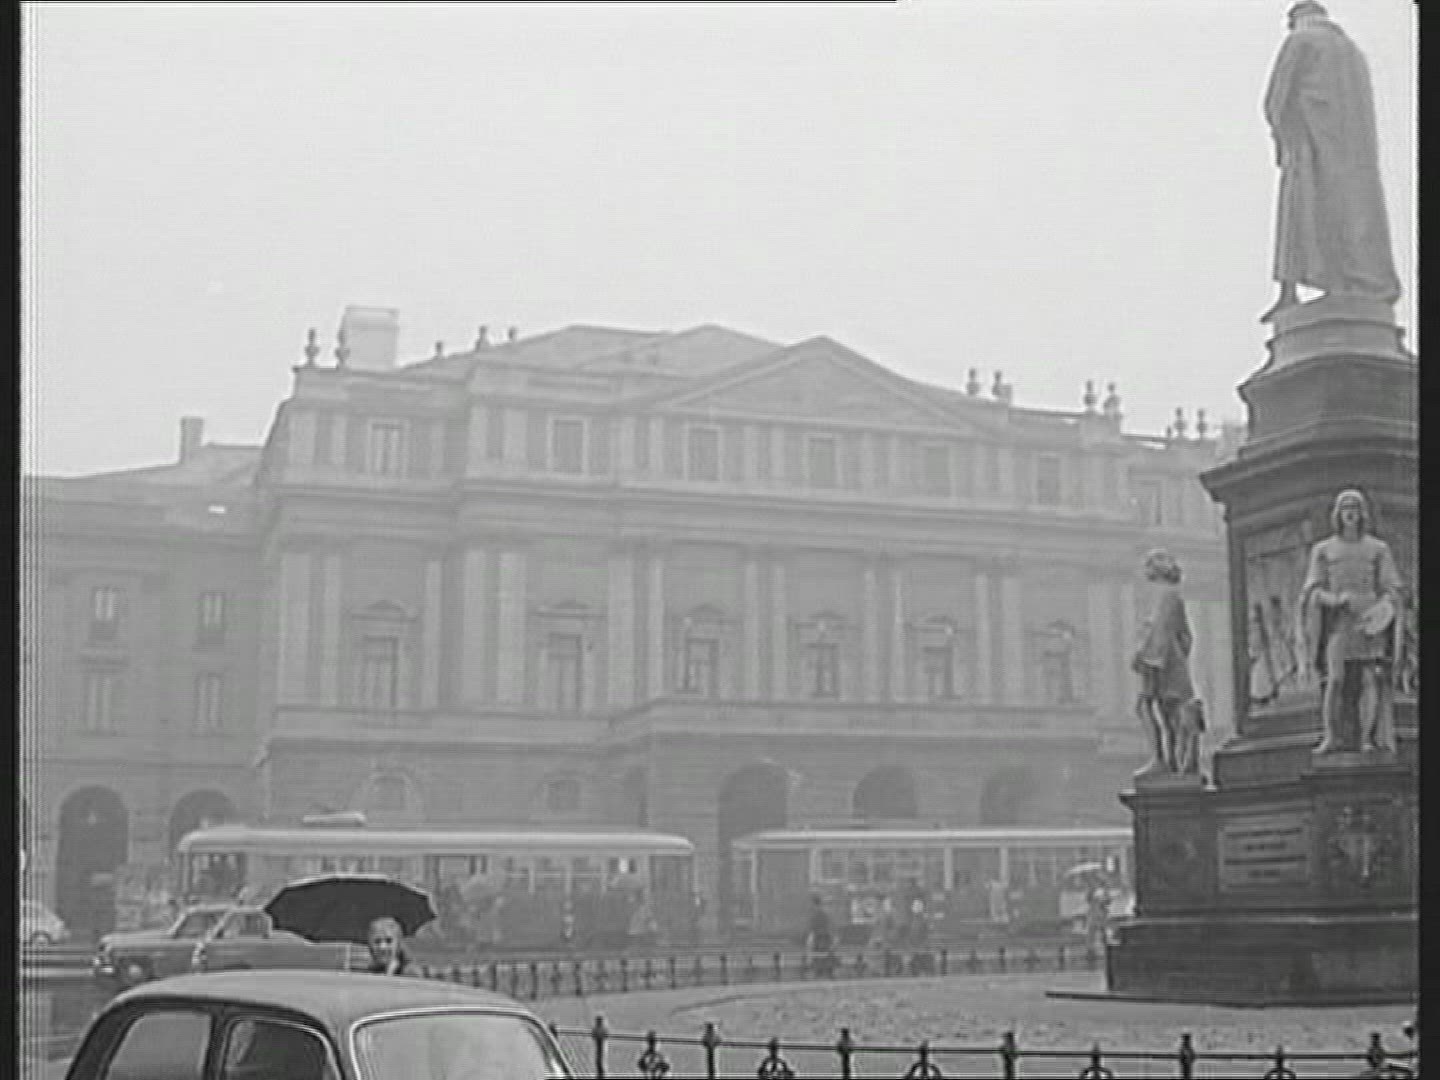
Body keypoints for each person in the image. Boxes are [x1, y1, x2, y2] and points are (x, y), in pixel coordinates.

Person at [1261, 2, 1401, 320]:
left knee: (1300, 214)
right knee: (1351, 213)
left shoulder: (1300, 40)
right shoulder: (1352, 52)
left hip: (1308, 146)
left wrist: (1283, 139)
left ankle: (1289, 292)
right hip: (1353, 155)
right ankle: (1350, 281)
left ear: (1294, 19)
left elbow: (1275, 100)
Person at [1298, 489, 1404, 754]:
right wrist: (1334, 599)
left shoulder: (1378, 549)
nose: (1350, 513)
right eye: (1345, 508)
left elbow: (1391, 587)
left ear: (1362, 513)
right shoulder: (1323, 550)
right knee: (1335, 679)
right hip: (1340, 622)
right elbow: (1312, 590)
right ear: (1337, 513)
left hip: (1370, 622)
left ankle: (1367, 738)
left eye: (1355, 508)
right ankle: (1330, 736)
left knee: (1369, 678)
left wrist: (1383, 608)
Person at [1132, 549, 1203, 777]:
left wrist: (1145, 656)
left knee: (1144, 706)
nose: (1145, 571)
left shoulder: (1163, 594)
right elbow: (1186, 636)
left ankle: (1160, 758)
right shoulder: (1173, 595)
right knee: (1169, 713)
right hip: (1172, 661)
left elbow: (1158, 628)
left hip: (1158, 660)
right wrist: (1180, 656)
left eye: (1148, 565)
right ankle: (1172, 762)